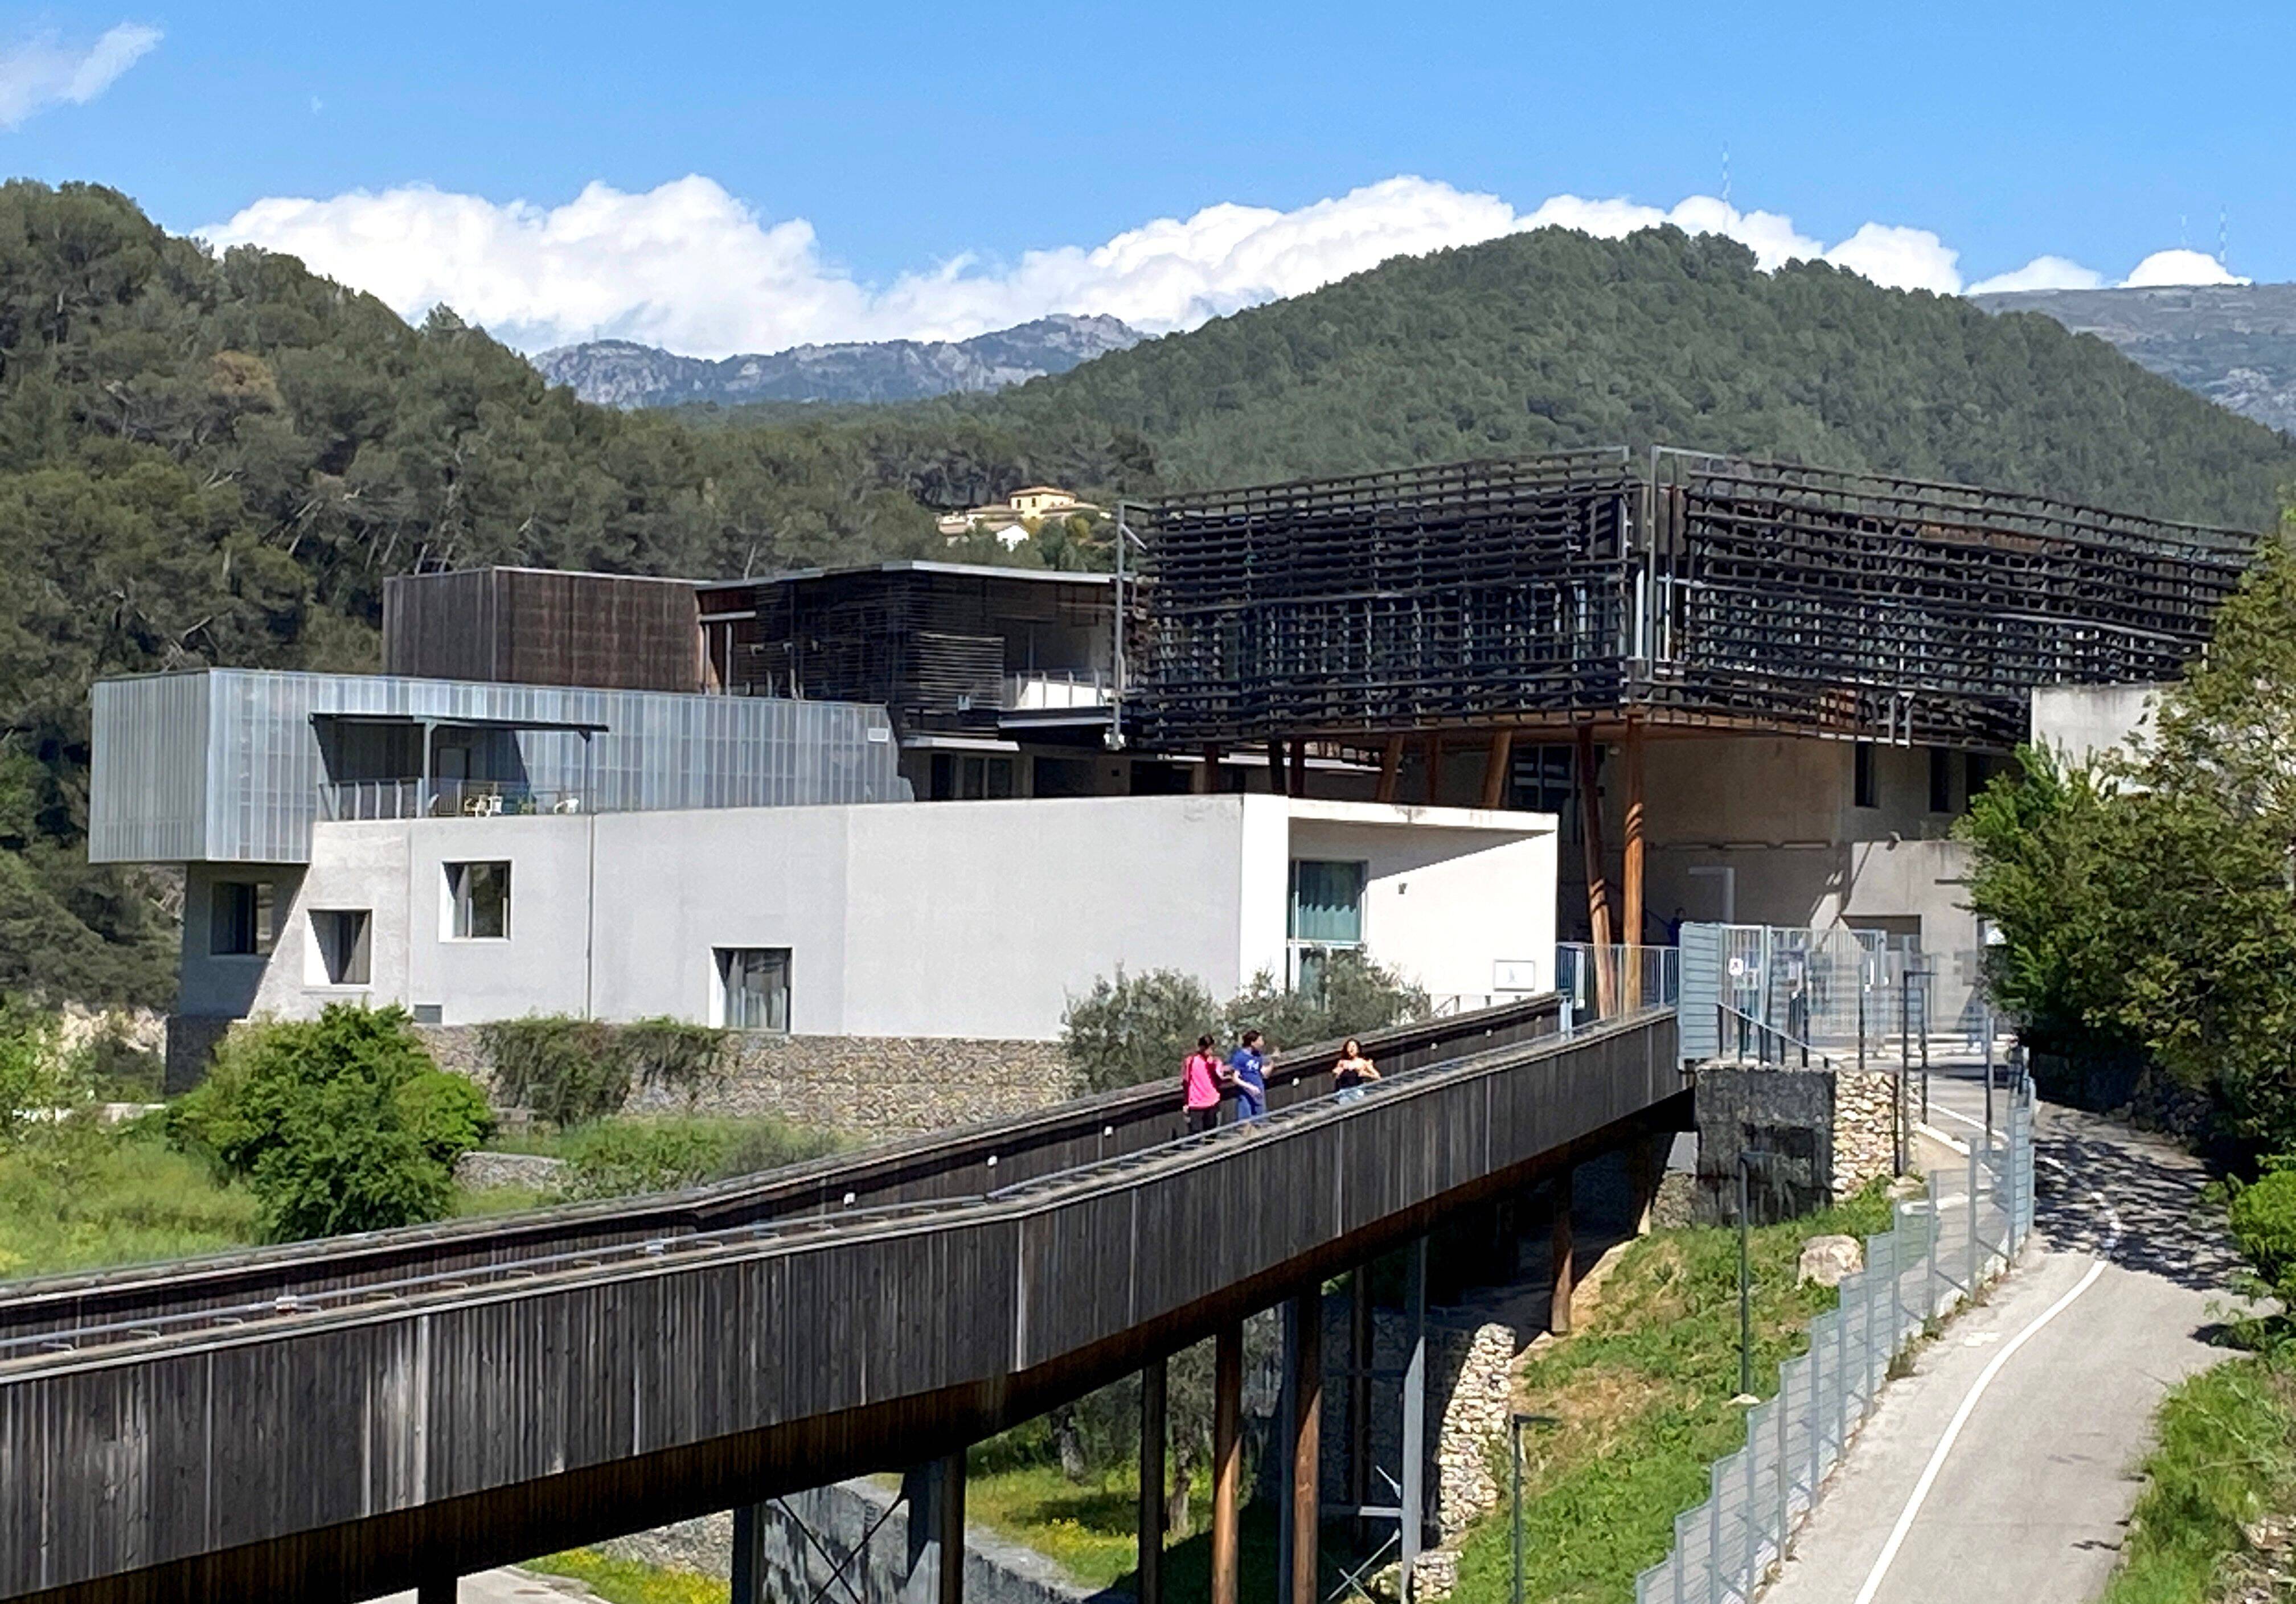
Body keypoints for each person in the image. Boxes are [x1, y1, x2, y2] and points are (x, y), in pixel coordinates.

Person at [1182, 1034, 1224, 1135]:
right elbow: (1186, 1082)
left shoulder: (1215, 1061)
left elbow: (1219, 1080)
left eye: (1212, 1049)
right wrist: (1186, 1102)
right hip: (1196, 1102)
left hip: (1212, 1100)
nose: (1210, 1052)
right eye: (1208, 1049)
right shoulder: (1191, 1061)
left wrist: (1214, 1067)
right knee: (1195, 1132)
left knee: (1212, 1132)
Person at [1227, 1029, 1269, 1123]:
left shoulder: (1258, 1055)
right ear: (1253, 1043)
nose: (1262, 1043)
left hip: (1259, 1092)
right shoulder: (1240, 1057)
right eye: (1260, 1041)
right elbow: (1235, 1078)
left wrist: (1272, 1064)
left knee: (1261, 1120)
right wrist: (1250, 1087)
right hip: (1246, 1094)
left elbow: (1263, 1073)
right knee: (1246, 1122)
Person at [1333, 1037, 1379, 1102]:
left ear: (1358, 1049)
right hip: (1344, 1093)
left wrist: (1365, 1074)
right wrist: (1337, 1073)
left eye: (1353, 1046)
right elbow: (1336, 1078)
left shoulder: (1363, 1062)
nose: (1351, 1049)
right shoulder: (1342, 1062)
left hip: (1357, 1091)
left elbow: (1377, 1076)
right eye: (1349, 1047)